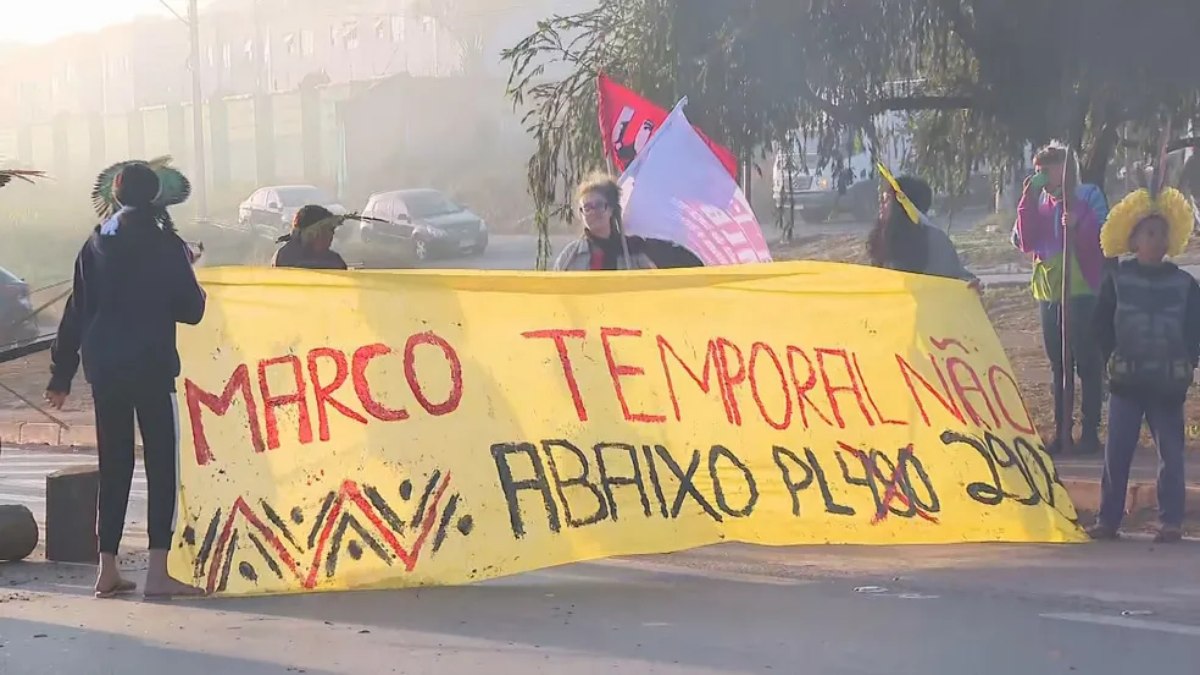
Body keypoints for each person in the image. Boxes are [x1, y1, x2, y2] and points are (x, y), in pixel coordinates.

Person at [45, 162, 207, 599]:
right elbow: (192, 310)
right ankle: (157, 571)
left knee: (114, 465)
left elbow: (75, 313)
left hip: (105, 371)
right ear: (155, 198)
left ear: (115, 198)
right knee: (161, 463)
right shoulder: (166, 245)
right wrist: (190, 270)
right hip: (152, 368)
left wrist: (61, 375)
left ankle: (108, 568)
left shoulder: (94, 245)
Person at [1088, 186, 1200, 542]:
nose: (1158, 239)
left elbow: (1194, 329)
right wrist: (1112, 358)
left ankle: (1171, 521)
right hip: (1126, 383)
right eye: (1150, 232)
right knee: (1117, 453)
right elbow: (1100, 325)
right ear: (1133, 239)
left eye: (1163, 232)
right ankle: (1108, 520)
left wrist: (1187, 365)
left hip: (1168, 385)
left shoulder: (1186, 284)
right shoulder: (1117, 279)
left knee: (1171, 453)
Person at [1012, 144, 1110, 455]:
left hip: (1081, 290)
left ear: (1065, 170)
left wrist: (1078, 222)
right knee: (1059, 364)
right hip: (1049, 291)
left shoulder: (1087, 197)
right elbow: (1025, 241)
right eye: (1039, 168)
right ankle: (1062, 431)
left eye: (1049, 168)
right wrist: (1027, 200)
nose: (1043, 174)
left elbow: (1103, 238)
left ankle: (1090, 431)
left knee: (1087, 362)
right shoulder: (1039, 201)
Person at [866, 174, 981, 288]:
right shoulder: (881, 238)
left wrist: (970, 287)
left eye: (887, 200)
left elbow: (958, 278)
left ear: (904, 206)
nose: (881, 205)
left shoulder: (935, 240)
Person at [553, 174, 657, 271]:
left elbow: (655, 285)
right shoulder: (570, 257)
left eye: (599, 205)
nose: (593, 212)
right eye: (587, 207)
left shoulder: (633, 252)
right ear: (581, 213)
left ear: (611, 209)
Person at [271, 205, 350, 270]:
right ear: (312, 233)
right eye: (329, 229)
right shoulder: (287, 257)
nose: (332, 234)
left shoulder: (333, 259)